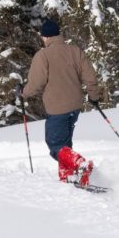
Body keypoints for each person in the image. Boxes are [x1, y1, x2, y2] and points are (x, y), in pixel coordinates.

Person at [16, 19, 100, 186]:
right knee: (65, 145)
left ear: (45, 37)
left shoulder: (43, 55)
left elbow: (36, 83)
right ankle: (68, 178)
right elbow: (90, 77)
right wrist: (94, 96)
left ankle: (80, 164)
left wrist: (22, 93)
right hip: (75, 107)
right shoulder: (75, 51)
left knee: (56, 146)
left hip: (57, 108)